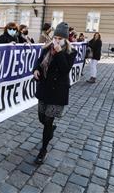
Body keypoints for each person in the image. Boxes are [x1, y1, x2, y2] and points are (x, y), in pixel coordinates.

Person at [33, 22, 77, 164]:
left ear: (65, 39)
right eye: (55, 37)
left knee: (47, 121)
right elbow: (39, 62)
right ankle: (50, 129)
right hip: (44, 88)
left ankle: (43, 149)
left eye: (60, 38)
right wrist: (35, 70)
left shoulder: (71, 52)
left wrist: (58, 53)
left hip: (57, 91)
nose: (57, 40)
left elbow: (65, 70)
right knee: (41, 118)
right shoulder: (46, 47)